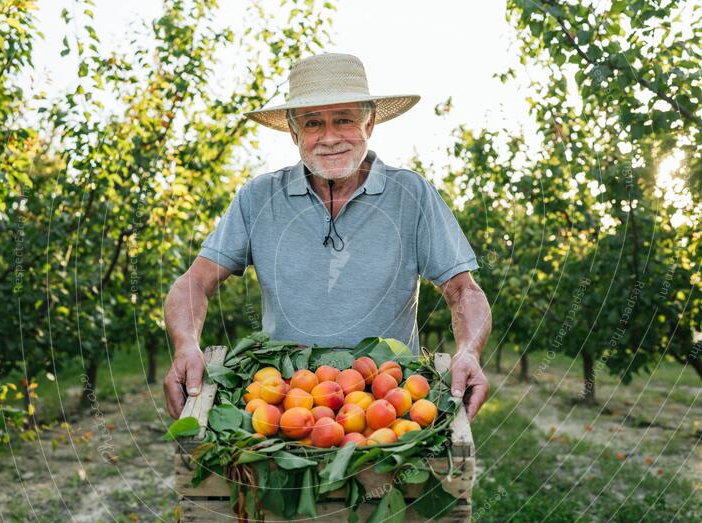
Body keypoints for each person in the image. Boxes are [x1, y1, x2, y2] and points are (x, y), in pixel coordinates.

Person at [163, 53, 492, 423]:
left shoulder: (411, 195)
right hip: (284, 405)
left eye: (345, 120)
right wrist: (186, 345)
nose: (330, 137)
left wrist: (469, 351)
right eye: (314, 123)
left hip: (391, 406)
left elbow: (464, 291)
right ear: (293, 133)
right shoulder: (259, 198)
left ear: (370, 125)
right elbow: (194, 282)